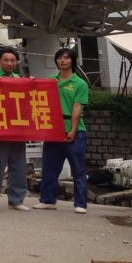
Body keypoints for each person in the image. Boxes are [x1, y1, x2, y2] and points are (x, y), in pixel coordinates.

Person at [35, 48, 89, 213]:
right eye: (60, 58)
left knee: (78, 168)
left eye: (66, 58)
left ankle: (80, 203)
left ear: (73, 61)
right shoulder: (50, 80)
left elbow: (77, 107)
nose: (63, 61)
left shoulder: (80, 83)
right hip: (53, 129)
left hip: (74, 130)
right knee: (49, 166)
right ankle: (48, 200)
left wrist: (73, 129)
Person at [0, 47, 30, 210]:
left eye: (12, 60)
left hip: (17, 128)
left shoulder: (20, 79)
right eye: (6, 60)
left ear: (17, 62)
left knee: (19, 165)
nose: (9, 63)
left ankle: (16, 200)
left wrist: (33, 84)